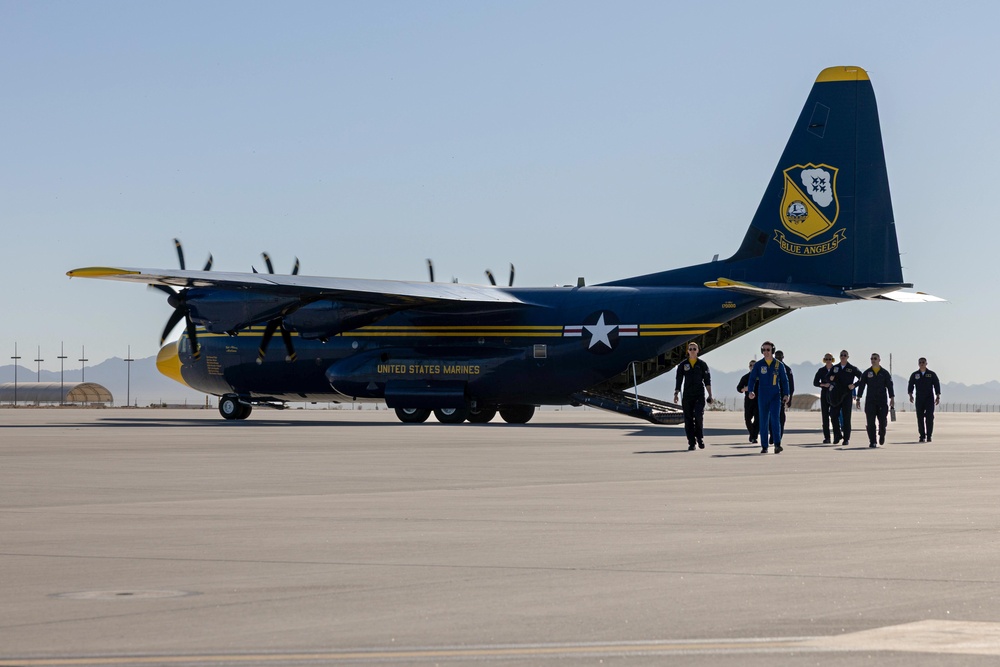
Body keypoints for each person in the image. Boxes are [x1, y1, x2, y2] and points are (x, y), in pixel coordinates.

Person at [747, 341, 789, 454]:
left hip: (775, 395)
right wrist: (750, 391)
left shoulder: (778, 365)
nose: (766, 352)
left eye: (768, 350)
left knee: (775, 419)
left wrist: (787, 394)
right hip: (763, 395)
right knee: (763, 420)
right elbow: (752, 379)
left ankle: (777, 444)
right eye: (764, 350)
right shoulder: (759, 365)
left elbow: (785, 381)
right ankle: (764, 446)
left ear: (772, 351)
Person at [674, 341, 713, 450]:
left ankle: (699, 438)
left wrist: (710, 395)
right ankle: (691, 442)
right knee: (688, 419)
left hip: (699, 395)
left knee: (698, 416)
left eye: (694, 349)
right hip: (687, 395)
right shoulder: (683, 365)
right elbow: (679, 380)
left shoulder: (702, 364)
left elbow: (707, 381)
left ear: (698, 351)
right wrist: (676, 393)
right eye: (690, 349)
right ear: (687, 351)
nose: (692, 351)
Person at [856, 352, 895, 448]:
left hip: (882, 401)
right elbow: (861, 386)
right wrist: (858, 398)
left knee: (882, 421)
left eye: (875, 358)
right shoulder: (867, 373)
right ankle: (872, 441)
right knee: (870, 422)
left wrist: (892, 398)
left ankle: (882, 434)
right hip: (870, 401)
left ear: (879, 360)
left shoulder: (885, 373)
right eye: (872, 359)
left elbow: (890, 386)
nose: (873, 360)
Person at [827, 350, 862, 446]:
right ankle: (837, 435)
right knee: (833, 415)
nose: (843, 356)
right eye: (841, 355)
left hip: (847, 395)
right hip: (836, 395)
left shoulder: (852, 368)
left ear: (848, 357)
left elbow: (862, 377)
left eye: (845, 355)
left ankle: (846, 438)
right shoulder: (835, 368)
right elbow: (827, 377)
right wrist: (830, 379)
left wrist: (854, 385)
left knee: (846, 417)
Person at [908, 357, 941, 442]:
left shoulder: (931, 374)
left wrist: (938, 396)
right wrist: (910, 395)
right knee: (920, 417)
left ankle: (929, 435)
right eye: (920, 362)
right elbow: (911, 385)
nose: (922, 364)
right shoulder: (915, 375)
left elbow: (936, 384)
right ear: (918, 364)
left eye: (923, 362)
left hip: (929, 399)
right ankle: (922, 435)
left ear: (926, 364)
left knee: (929, 417)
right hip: (919, 399)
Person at [812, 353, 836, 443]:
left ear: (832, 360)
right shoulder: (821, 370)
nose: (828, 361)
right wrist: (823, 385)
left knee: (834, 415)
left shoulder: (836, 369)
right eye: (827, 359)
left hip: (834, 394)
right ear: (824, 360)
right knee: (825, 416)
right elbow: (815, 382)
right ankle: (827, 437)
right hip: (825, 394)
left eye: (830, 359)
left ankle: (837, 435)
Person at [736, 360, 759, 443]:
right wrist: (744, 389)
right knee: (747, 418)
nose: (752, 367)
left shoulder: (761, 377)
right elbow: (738, 388)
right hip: (748, 400)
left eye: (754, 365)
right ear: (749, 367)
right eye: (751, 365)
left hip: (758, 400)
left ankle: (754, 436)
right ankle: (752, 434)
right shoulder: (745, 377)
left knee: (758, 419)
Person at [775, 350, 794, 433]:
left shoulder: (787, 369)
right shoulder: (770, 368)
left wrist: (790, 398)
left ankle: (780, 434)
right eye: (777, 356)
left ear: (783, 357)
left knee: (781, 415)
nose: (778, 358)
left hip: (783, 396)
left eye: (780, 357)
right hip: (772, 395)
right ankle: (773, 434)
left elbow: (791, 386)